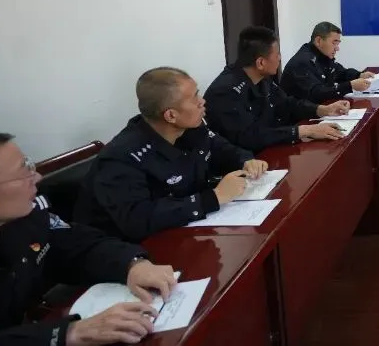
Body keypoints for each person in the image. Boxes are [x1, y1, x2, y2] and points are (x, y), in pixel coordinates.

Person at [0, 132, 179, 345]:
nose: (37, 178)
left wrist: (132, 264)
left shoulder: (24, 218)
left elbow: (75, 244)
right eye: (22, 173)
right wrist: (68, 333)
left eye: (29, 166)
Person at [74, 67, 270, 242]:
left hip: (187, 231)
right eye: (194, 98)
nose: (202, 102)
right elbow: (138, 219)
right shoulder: (122, 158)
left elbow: (222, 148)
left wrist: (246, 161)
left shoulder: (191, 128)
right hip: (131, 252)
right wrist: (215, 197)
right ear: (171, 115)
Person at [205, 26, 350, 152]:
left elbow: (287, 104)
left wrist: (322, 110)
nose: (280, 58)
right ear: (261, 63)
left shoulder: (261, 77)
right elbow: (249, 137)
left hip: (270, 149)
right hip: (248, 163)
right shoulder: (225, 92)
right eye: (277, 54)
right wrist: (304, 131)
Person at [281, 22, 376, 103]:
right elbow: (317, 93)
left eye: (338, 44)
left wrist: (359, 75)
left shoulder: (323, 57)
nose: (337, 48)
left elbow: (341, 73)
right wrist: (349, 86)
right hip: (300, 116)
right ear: (318, 41)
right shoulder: (302, 62)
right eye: (334, 43)